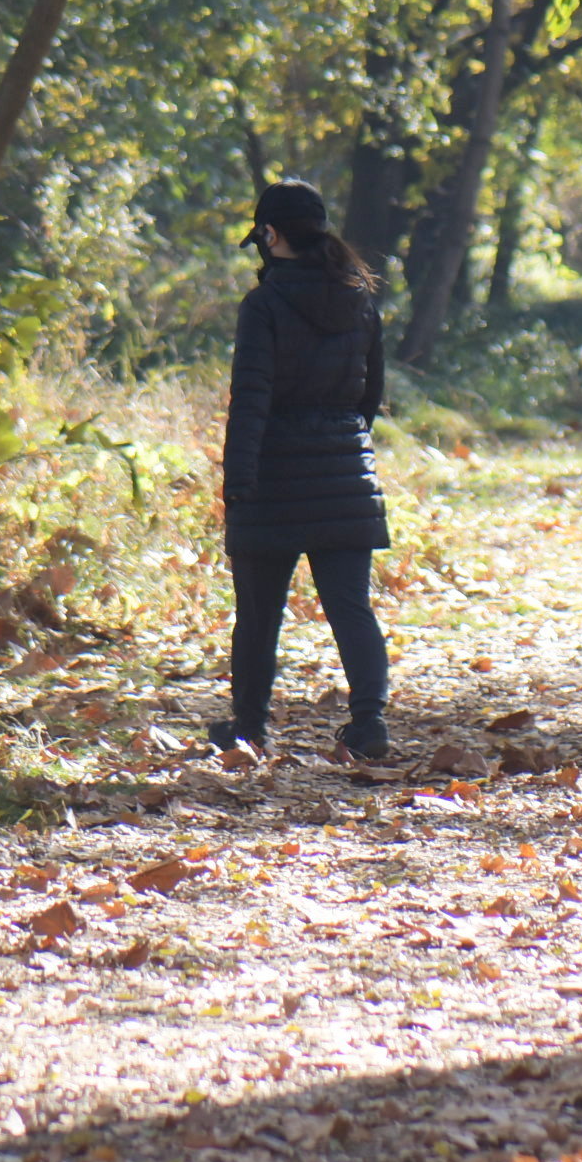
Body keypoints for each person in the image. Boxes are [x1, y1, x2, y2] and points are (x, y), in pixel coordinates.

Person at [212, 179, 398, 771]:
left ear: (269, 235)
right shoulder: (359, 299)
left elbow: (252, 399)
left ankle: (250, 729)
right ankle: (369, 726)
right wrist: (341, 443)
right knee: (351, 608)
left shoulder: (263, 305)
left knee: (259, 612)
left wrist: (237, 481)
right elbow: (370, 395)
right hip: (344, 474)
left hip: (272, 476)